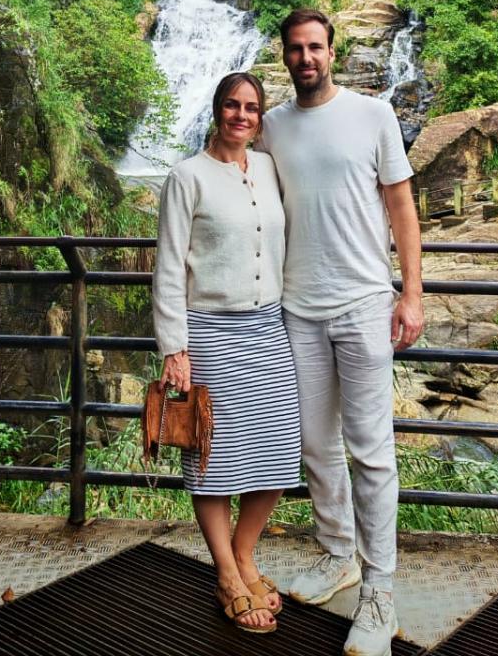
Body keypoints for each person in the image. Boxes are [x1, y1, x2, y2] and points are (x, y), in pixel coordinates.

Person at [254, 8, 424, 656]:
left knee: (371, 451)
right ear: (285, 56)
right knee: (315, 445)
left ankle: (380, 590)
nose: (306, 58)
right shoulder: (272, 127)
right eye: (295, 49)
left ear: (332, 51)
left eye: (315, 47)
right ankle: (338, 554)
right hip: (297, 307)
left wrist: (412, 293)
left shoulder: (373, 114)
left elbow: (401, 205)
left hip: (363, 305)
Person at [153, 71, 302, 635]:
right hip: (210, 333)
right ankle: (226, 572)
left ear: (260, 118)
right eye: (233, 105)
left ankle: (244, 553)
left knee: (280, 449)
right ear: (216, 111)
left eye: (252, 107)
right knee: (211, 457)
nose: (242, 115)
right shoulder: (186, 176)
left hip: (269, 327)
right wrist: (175, 348)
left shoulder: (267, 168)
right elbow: (169, 266)